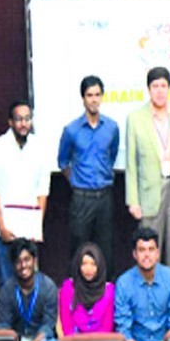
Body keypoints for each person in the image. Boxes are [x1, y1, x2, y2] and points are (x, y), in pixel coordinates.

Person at [125, 67, 170, 276]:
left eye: (164, 86)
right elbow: (131, 164)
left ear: (169, 89)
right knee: (149, 252)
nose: (160, 91)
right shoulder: (136, 118)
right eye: (155, 86)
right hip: (149, 194)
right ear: (148, 90)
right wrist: (133, 201)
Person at [0, 99, 51, 289]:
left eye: (27, 119)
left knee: (31, 287)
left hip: (29, 232)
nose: (23, 124)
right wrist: (2, 226)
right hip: (5, 233)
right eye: (19, 119)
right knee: (7, 286)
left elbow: (42, 190)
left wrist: (36, 227)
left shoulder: (39, 146)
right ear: (10, 122)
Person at [58, 75, 119, 271]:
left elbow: (113, 154)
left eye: (97, 95)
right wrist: (76, 182)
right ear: (83, 98)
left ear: (102, 97)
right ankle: (77, 297)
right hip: (81, 198)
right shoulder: (71, 130)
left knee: (106, 250)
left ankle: (106, 296)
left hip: (105, 196)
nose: (94, 99)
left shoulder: (111, 127)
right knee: (79, 249)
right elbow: (63, 162)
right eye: (89, 95)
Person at [114, 227, 170, 341]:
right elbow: (123, 330)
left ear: (157, 253)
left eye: (151, 250)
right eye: (142, 250)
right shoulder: (124, 283)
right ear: (134, 254)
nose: (147, 255)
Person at [0, 238, 58, 341]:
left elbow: (48, 327)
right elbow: (4, 325)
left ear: (35, 260)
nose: (23, 265)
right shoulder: (6, 289)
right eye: (18, 262)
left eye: (27, 259)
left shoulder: (48, 287)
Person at [58, 242, 115, 336]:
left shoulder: (109, 291)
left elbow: (107, 328)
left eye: (93, 264)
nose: (88, 269)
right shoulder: (68, 288)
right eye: (84, 264)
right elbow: (67, 327)